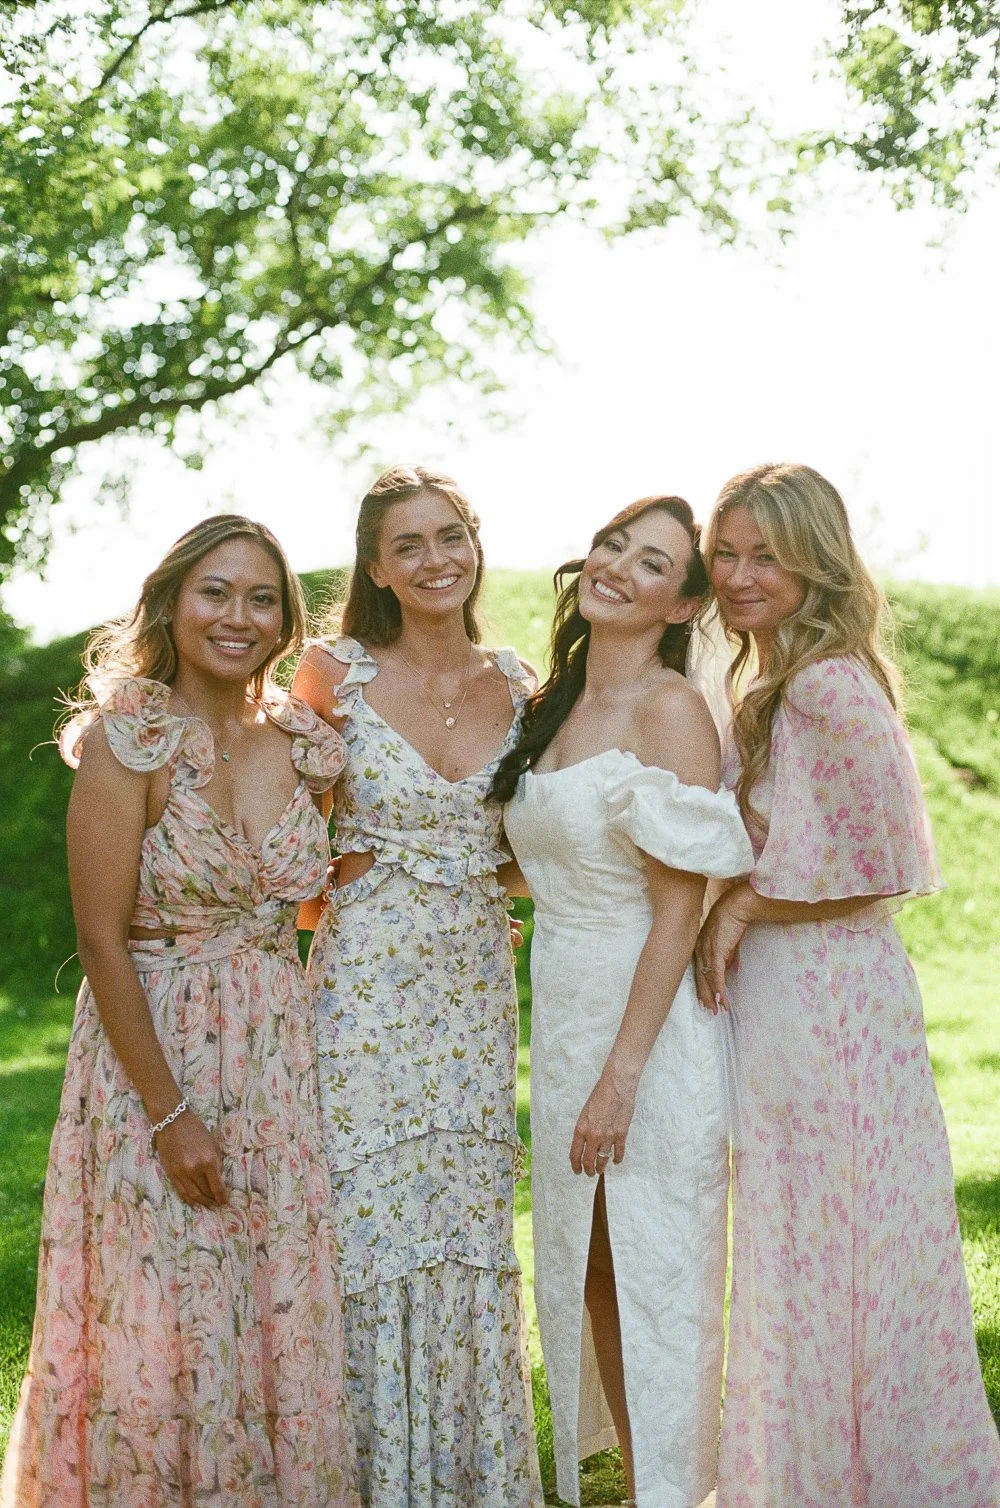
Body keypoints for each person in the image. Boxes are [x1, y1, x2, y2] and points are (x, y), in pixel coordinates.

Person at [1, 516, 360, 1508]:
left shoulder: (305, 743)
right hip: (152, 1058)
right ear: (170, 602)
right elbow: (104, 939)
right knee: (158, 1307)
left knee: (264, 1304)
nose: (237, 615)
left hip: (274, 1061)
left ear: (285, 617)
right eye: (215, 591)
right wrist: (169, 1114)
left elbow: (307, 893)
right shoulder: (131, 740)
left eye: (260, 597)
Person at [694, 462, 1000, 1507]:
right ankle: (806, 1471)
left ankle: (870, 1476)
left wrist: (743, 907)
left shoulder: (826, 681)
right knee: (802, 1240)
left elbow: (887, 862)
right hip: (789, 997)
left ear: (814, 560)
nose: (738, 575)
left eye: (764, 554)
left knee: (843, 1242)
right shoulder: (768, 679)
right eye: (725, 551)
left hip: (834, 1004)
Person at [491, 496, 754, 1508]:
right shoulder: (555, 701)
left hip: (647, 1021)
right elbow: (549, 853)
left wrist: (623, 1073)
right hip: (564, 1006)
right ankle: (649, 1483)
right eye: (613, 543)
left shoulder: (668, 707)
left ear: (682, 600)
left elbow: (675, 905)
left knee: (658, 1267)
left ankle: (680, 1490)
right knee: (592, 1258)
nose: (616, 567)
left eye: (651, 563)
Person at [291, 466, 542, 1507]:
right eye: (410, 544)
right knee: (361, 1218)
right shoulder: (331, 674)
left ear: (474, 543)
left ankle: (467, 1479)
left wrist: (496, 879)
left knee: (465, 1220)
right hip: (363, 982)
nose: (436, 558)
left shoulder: (526, 684)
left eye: (452, 536)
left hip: (474, 981)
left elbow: (545, 842)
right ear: (377, 567)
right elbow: (286, 832)